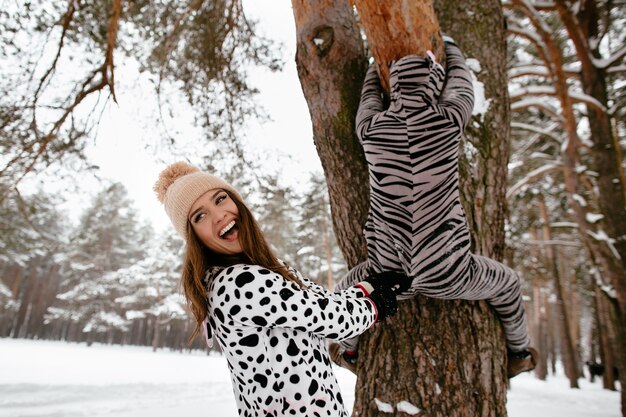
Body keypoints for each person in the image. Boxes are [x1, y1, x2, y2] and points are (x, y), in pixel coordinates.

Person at [328, 37, 537, 379]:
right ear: (433, 85)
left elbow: (369, 95)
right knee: (508, 283)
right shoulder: (447, 122)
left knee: (347, 288)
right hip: (449, 268)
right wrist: (451, 47)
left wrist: (374, 62)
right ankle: (519, 353)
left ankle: (349, 351)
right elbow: (463, 85)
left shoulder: (370, 129)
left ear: (393, 86)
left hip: (389, 275)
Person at [153, 161, 410, 417]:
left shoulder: (261, 272)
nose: (218, 215)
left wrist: (366, 287)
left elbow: (320, 303)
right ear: (194, 237)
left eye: (220, 199)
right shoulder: (238, 283)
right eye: (200, 216)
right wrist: (376, 304)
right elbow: (332, 320)